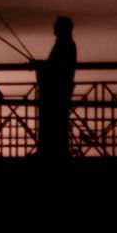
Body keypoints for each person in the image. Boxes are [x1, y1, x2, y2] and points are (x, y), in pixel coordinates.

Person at [36, 15, 77, 158]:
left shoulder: (64, 44)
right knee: (57, 121)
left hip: (57, 90)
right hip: (62, 88)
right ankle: (55, 151)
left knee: (53, 121)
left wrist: (41, 67)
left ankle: (51, 152)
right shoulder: (67, 43)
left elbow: (55, 66)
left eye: (56, 26)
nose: (54, 28)